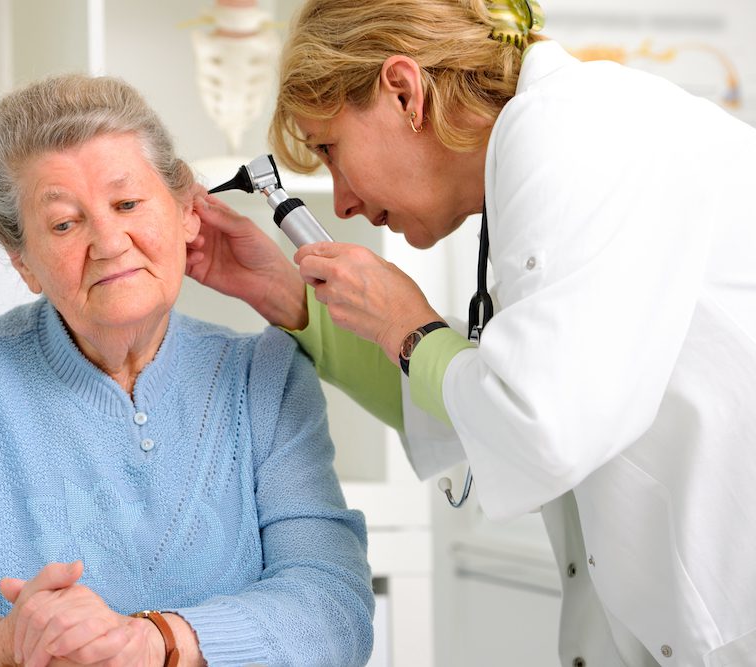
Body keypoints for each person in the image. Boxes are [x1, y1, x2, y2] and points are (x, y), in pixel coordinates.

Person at [184, 0, 756, 664]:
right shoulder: (555, 142)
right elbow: (467, 399)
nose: (341, 201)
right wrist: (282, 292)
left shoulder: (572, 126)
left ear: (405, 92)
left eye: (330, 149)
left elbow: (533, 423)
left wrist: (406, 321)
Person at [0, 74, 374, 667]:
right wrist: (2, 644)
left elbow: (334, 607)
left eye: (127, 203)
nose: (108, 242)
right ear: (22, 260)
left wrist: (153, 644)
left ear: (189, 210)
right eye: (63, 223)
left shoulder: (264, 377)